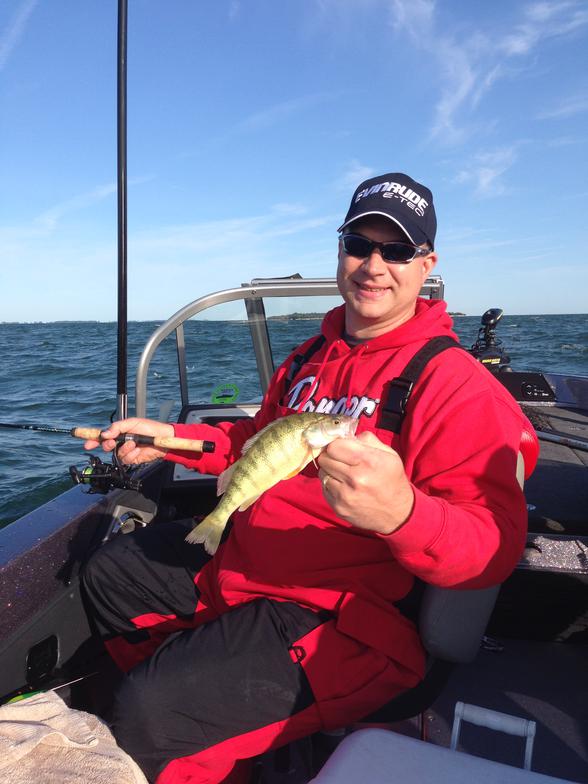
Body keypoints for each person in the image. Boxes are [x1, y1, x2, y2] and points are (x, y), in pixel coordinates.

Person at [82, 172, 537, 784]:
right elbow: (255, 444)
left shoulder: (457, 387)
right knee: (110, 573)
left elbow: (493, 546)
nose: (373, 265)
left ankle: (178, 733)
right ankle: (221, 738)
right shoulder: (305, 359)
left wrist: (404, 515)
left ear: (426, 265)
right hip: (245, 565)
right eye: (359, 244)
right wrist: (171, 439)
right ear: (340, 250)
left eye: (398, 250)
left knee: (150, 711)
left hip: (343, 616)